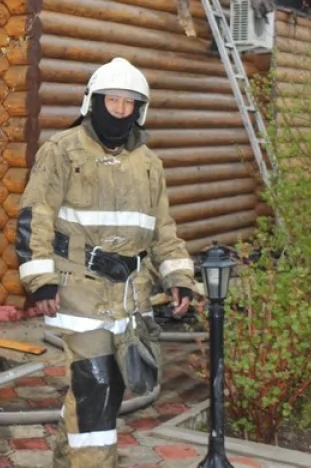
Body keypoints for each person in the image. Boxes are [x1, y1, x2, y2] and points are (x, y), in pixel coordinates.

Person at [16, 57, 198, 468]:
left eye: (127, 103)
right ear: (92, 102)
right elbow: (35, 215)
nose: (118, 110)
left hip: (128, 296)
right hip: (79, 289)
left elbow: (163, 231)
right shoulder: (62, 151)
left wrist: (179, 277)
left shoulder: (150, 165)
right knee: (95, 385)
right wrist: (41, 280)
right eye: (111, 101)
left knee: (103, 389)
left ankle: (66, 459)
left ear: (139, 110)